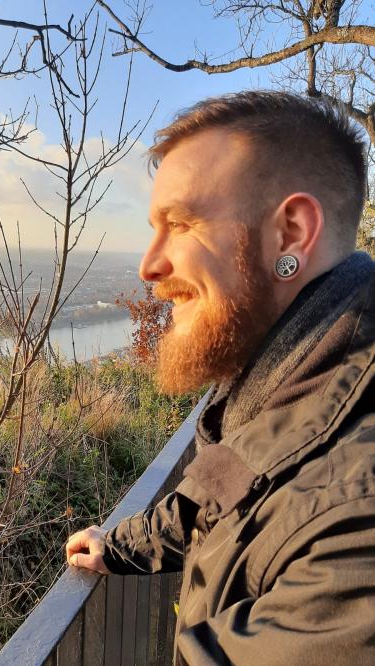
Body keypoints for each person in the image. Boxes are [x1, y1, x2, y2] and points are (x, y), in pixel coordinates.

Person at [66, 91, 375, 665]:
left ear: (290, 234)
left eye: (181, 223)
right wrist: (119, 546)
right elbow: (226, 494)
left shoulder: (353, 525)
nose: (149, 266)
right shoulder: (286, 389)